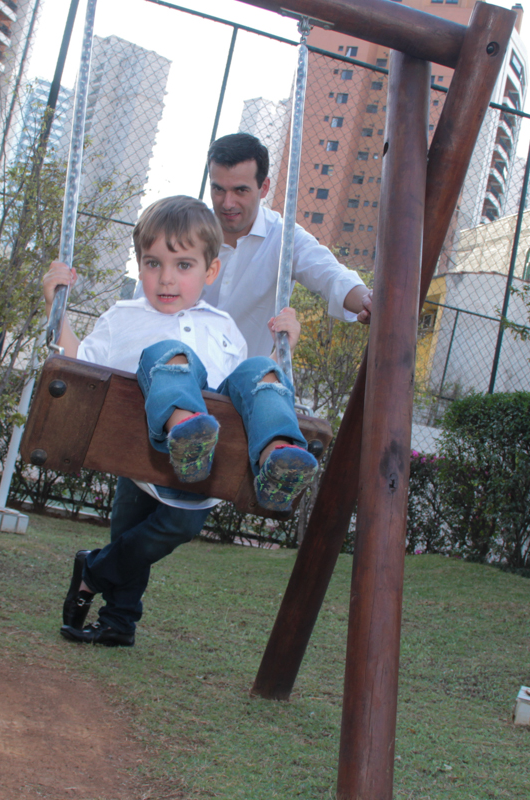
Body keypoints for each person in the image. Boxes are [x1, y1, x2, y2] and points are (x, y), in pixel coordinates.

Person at [41, 195, 319, 647]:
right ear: (140, 263)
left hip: (203, 466)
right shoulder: (123, 317)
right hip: (143, 446)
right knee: (171, 356)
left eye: (183, 265)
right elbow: (78, 369)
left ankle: (275, 457)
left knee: (256, 371)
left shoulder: (223, 325)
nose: (166, 278)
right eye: (153, 263)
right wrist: (57, 309)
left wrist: (281, 351)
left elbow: (239, 393)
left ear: (210, 272)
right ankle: (119, 619)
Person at [204, 132, 373, 356]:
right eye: (218, 189)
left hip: (242, 383)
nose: (227, 203)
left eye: (240, 190)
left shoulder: (284, 238)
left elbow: (331, 276)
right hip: (175, 372)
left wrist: (369, 301)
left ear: (264, 188)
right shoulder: (186, 231)